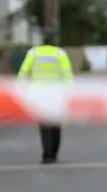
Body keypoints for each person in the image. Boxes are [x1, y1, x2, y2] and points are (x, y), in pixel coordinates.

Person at [17, 28, 73, 164]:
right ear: (54, 40)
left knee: (44, 126)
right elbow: (67, 74)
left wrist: (21, 90)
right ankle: (54, 153)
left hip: (39, 94)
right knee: (55, 124)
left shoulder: (33, 53)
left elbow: (24, 72)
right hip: (57, 93)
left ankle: (46, 155)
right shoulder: (60, 54)